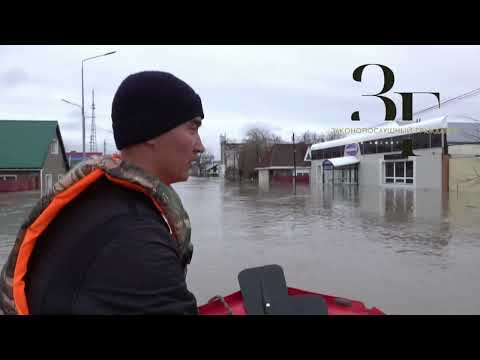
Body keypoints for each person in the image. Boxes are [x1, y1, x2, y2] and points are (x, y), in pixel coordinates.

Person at [0, 71, 205, 314]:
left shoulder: (96, 200)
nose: (200, 147)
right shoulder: (137, 239)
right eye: (193, 129)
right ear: (152, 133)